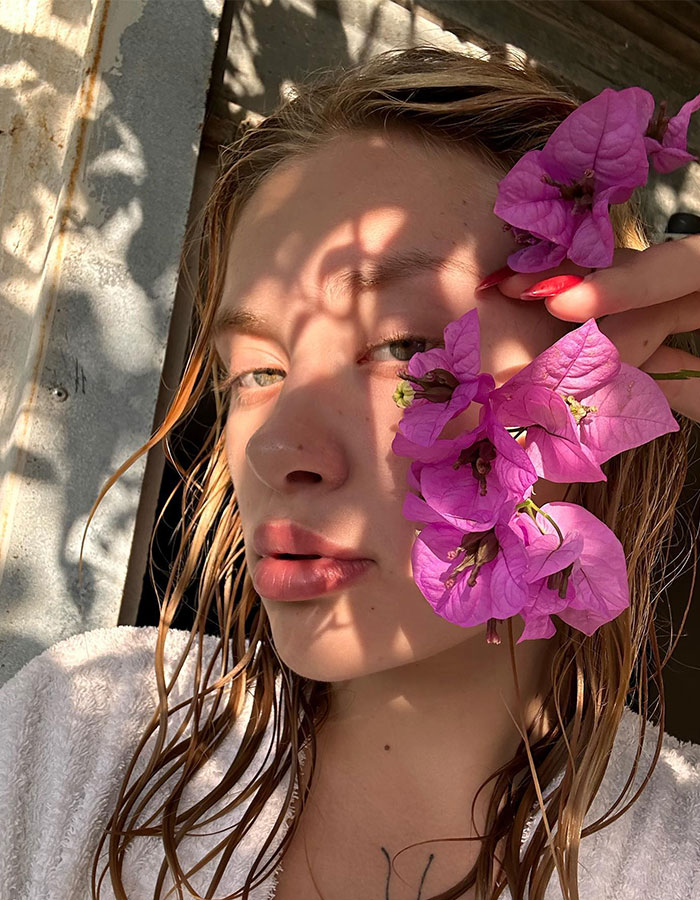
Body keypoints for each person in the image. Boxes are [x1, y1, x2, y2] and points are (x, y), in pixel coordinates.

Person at [1, 45, 699, 900]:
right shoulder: (85, 731)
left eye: (404, 348)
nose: (274, 447)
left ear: (602, 366)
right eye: (255, 369)